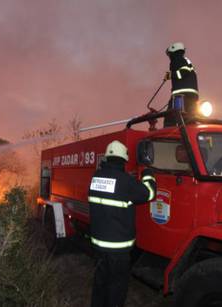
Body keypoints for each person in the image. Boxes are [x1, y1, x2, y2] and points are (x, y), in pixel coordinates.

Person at [89, 140, 157, 307]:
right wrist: (148, 172)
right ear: (124, 160)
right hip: (118, 249)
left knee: (100, 284)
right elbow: (149, 194)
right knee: (116, 287)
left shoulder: (95, 178)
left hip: (98, 245)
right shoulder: (126, 181)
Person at [164, 42, 199, 127]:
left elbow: (183, 72)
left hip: (181, 96)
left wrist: (170, 75)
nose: (169, 57)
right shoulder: (186, 61)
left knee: (170, 118)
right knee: (189, 120)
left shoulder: (177, 59)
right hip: (192, 96)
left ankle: (167, 138)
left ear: (174, 51)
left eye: (170, 54)